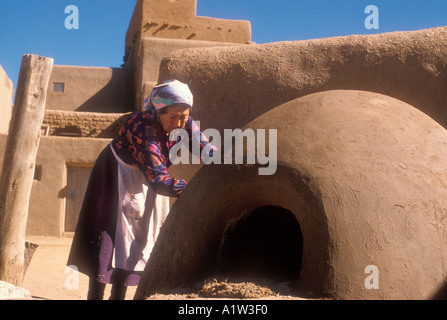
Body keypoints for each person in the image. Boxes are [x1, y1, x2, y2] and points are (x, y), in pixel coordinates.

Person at [67, 80, 215, 300]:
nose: (179, 122)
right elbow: (159, 180)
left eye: (183, 116)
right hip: (115, 173)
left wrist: (225, 160)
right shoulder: (144, 128)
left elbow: (206, 149)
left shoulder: (185, 122)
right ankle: (95, 295)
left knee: (138, 238)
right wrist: (193, 189)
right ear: (158, 111)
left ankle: (118, 295)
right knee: (108, 233)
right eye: (172, 116)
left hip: (146, 174)